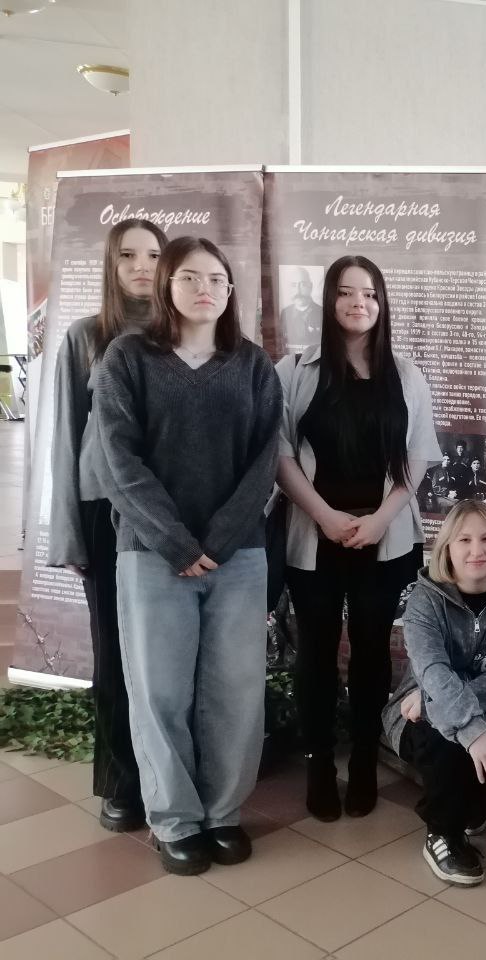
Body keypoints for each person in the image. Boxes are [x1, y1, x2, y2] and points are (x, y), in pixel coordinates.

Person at [93, 236, 282, 875]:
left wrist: (220, 540)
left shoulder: (252, 365)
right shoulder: (127, 359)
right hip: (151, 554)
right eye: (190, 277)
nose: (206, 288)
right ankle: (175, 820)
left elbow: (265, 460)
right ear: (166, 285)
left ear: (230, 291)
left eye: (217, 279)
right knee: (159, 692)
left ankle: (223, 813)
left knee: (235, 691)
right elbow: (117, 460)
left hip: (238, 557)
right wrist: (176, 541)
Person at [276, 255, 441, 823]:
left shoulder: (406, 373)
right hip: (313, 535)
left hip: (384, 537)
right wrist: (324, 515)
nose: (358, 303)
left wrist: (378, 520)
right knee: (316, 654)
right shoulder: (295, 369)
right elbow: (279, 455)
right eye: (346, 292)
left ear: (382, 302)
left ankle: (366, 758)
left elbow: (417, 457)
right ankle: (320, 762)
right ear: (329, 300)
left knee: (372, 652)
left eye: (369, 293)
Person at [47, 218, 166, 834]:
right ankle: (123, 781)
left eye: (154, 254)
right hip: (105, 513)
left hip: (173, 515)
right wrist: (68, 532)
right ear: (111, 265)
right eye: (128, 255)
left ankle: (172, 776)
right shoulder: (85, 337)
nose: (142, 266)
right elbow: (66, 437)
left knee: (169, 652)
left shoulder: (185, 332)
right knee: (115, 653)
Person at [383, 499, 486, 886]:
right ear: (447, 548)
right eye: (464, 540)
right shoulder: (424, 598)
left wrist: (436, 704)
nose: (477, 550)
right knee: (446, 744)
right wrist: (473, 731)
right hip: (415, 705)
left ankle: (473, 803)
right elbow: (433, 672)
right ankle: (443, 833)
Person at [281, 268, 321, 346]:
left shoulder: (322, 312)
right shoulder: (285, 312)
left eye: (303, 284)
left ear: (310, 286)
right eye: (294, 285)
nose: (298, 291)